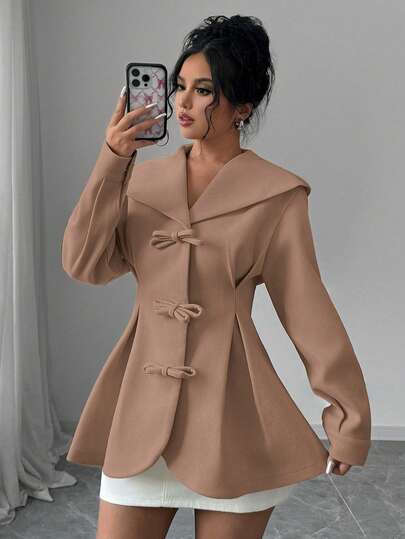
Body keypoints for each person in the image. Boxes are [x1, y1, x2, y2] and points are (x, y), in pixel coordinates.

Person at [62, 15, 371, 539]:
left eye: (203, 90)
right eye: (180, 85)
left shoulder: (277, 195)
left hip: (232, 420)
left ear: (242, 107)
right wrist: (112, 160)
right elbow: (84, 265)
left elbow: (307, 309)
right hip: (140, 416)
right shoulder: (139, 182)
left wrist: (349, 418)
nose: (182, 102)